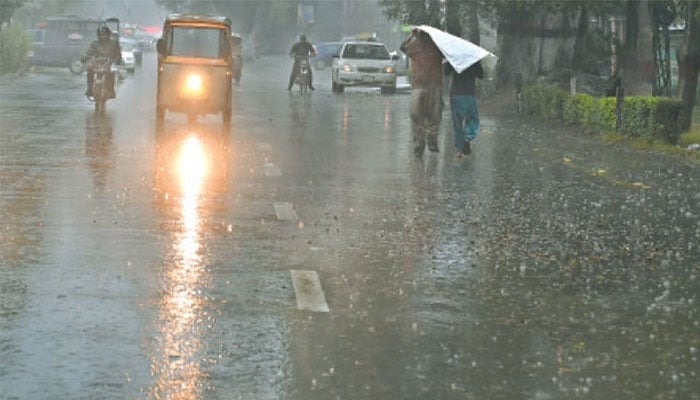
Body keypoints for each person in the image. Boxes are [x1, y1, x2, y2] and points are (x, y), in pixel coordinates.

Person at [399, 28, 444, 155]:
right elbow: (402, 47)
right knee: (418, 115)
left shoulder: (437, 46)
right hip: (421, 85)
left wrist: (411, 36)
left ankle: (430, 140)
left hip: (433, 85)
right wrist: (411, 36)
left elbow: (402, 47)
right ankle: (421, 142)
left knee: (432, 116)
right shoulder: (415, 45)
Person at [444, 61, 484, 157]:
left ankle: (459, 151)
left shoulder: (454, 57)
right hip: (469, 93)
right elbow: (481, 75)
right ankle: (467, 138)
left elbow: (446, 72)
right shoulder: (473, 58)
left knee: (457, 123)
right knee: (473, 119)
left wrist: (448, 62)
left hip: (456, 94)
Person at [83, 25, 122, 98]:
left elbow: (118, 54)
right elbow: (89, 52)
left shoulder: (114, 43)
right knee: (90, 68)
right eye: (101, 35)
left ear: (108, 35)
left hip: (109, 63)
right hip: (97, 63)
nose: (103, 37)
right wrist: (85, 58)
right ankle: (90, 88)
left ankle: (110, 90)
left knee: (111, 72)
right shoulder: (94, 43)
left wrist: (117, 60)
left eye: (104, 35)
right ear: (98, 35)